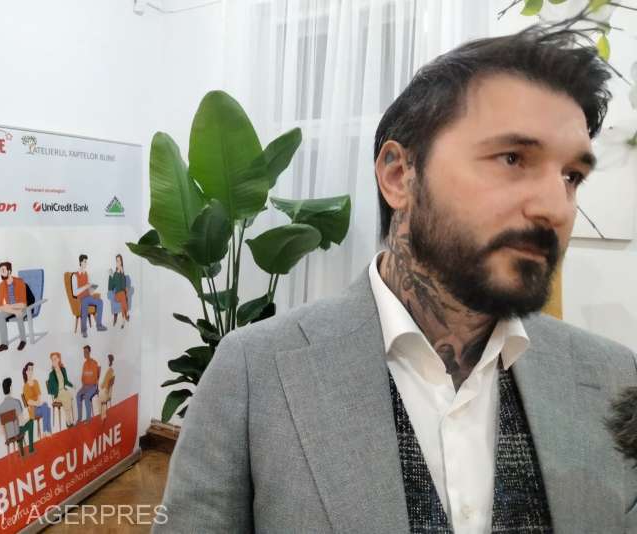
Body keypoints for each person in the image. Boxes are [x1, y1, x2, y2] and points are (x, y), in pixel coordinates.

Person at [155, 28, 637, 534]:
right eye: (512, 158)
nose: (556, 208)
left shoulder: (612, 378)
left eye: (571, 176)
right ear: (398, 175)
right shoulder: (253, 373)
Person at [0, 261, 28, 352]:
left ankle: (23, 340)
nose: (1, 272)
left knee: (19, 314)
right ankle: (4, 344)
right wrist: (12, 310)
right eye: (0, 271)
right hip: (11, 309)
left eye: (3, 270)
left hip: (22, 307)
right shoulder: (1, 285)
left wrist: (9, 307)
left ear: (9, 271)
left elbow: (23, 303)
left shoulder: (20, 282)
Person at [72, 254, 107, 338]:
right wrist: (85, 287)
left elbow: (89, 288)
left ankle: (99, 325)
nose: (86, 263)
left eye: (86, 262)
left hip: (88, 297)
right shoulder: (74, 275)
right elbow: (75, 293)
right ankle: (83, 330)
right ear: (80, 262)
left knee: (100, 301)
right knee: (84, 302)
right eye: (85, 262)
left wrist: (92, 290)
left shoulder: (86, 274)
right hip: (80, 299)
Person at [0, 377, 34, 457]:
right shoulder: (16, 402)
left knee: (17, 427)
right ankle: (31, 449)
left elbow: (1, 429)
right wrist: (28, 418)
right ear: (10, 388)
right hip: (17, 433)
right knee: (30, 422)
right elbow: (21, 422)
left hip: (8, 436)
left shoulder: (0, 407)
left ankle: (22, 453)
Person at [22, 362, 52, 437]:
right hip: (32, 410)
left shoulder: (36, 382)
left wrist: (39, 402)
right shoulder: (25, 386)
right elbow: (29, 402)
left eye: (32, 369)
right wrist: (37, 403)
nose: (31, 371)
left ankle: (46, 431)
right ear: (26, 372)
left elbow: (39, 395)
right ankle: (47, 431)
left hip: (39, 406)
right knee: (46, 408)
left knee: (46, 407)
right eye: (29, 369)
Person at [47, 351, 75, 428]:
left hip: (63, 390)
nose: (54, 361)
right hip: (58, 394)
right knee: (66, 397)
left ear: (59, 359)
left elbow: (66, 381)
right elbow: (49, 389)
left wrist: (72, 385)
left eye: (55, 359)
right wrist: (55, 391)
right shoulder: (51, 374)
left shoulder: (63, 370)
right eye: (52, 360)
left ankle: (68, 421)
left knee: (68, 395)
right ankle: (68, 421)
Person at [76, 345, 100, 422]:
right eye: (84, 352)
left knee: (86, 397)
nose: (85, 354)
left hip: (93, 386)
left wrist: (90, 384)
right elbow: (83, 377)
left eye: (86, 352)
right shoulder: (84, 364)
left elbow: (95, 377)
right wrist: (84, 385)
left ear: (89, 352)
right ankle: (79, 418)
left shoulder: (94, 363)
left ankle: (88, 418)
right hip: (85, 386)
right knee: (78, 395)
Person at [108, 254, 130, 328]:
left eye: (119, 261)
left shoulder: (122, 272)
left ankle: (123, 321)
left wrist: (122, 273)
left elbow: (123, 286)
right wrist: (110, 276)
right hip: (117, 295)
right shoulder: (115, 273)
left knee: (123, 297)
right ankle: (126, 315)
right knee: (123, 296)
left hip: (122, 294)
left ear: (121, 262)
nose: (118, 262)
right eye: (117, 261)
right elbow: (111, 287)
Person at [99, 354, 115, 421]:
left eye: (107, 360)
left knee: (101, 398)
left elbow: (110, 382)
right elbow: (104, 382)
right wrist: (101, 386)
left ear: (109, 361)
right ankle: (102, 415)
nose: (106, 361)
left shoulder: (110, 370)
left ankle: (103, 415)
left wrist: (106, 389)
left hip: (106, 390)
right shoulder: (107, 370)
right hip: (104, 389)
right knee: (99, 397)